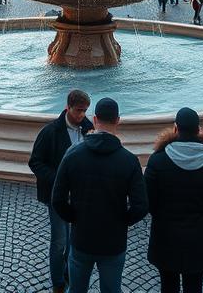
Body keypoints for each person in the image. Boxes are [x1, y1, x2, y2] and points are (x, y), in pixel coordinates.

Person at [51, 97, 147, 293]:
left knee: (76, 290)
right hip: (113, 241)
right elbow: (141, 206)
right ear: (118, 120)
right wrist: (122, 221)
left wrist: (75, 218)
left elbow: (57, 199)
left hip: (81, 238)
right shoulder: (129, 161)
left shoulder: (73, 153)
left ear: (94, 119)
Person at [144, 107, 203, 293]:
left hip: (165, 235)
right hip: (198, 237)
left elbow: (148, 201)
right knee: (194, 286)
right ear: (198, 130)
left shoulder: (157, 161)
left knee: (168, 286)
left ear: (175, 128)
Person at [29, 89, 93, 293]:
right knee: (59, 241)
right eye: (78, 111)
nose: (82, 115)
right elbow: (35, 162)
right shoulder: (50, 132)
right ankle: (58, 282)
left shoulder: (88, 128)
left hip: (80, 197)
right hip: (57, 196)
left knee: (74, 240)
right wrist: (58, 179)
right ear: (68, 108)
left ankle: (68, 274)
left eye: (85, 111)